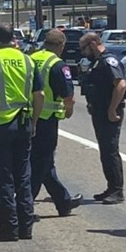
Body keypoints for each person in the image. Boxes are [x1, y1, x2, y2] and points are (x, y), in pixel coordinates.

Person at [0, 24, 44, 241]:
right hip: (23, 124)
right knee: (23, 176)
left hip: (0, 126)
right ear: (13, 39)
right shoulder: (28, 60)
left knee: (3, 178)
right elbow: (39, 94)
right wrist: (33, 122)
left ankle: (8, 228)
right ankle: (25, 227)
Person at [29, 30, 83, 216]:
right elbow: (68, 95)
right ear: (61, 46)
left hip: (27, 116)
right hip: (47, 119)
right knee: (40, 164)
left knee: (44, 163)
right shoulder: (57, 64)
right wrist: (69, 110)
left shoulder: (31, 58)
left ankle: (63, 202)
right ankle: (25, 205)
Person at [78, 32, 126, 204]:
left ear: (92, 44)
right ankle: (111, 187)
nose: (83, 53)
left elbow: (120, 84)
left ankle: (117, 190)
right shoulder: (97, 62)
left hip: (108, 113)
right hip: (99, 111)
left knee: (110, 150)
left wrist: (112, 109)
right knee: (105, 151)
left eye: (84, 49)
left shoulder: (108, 61)